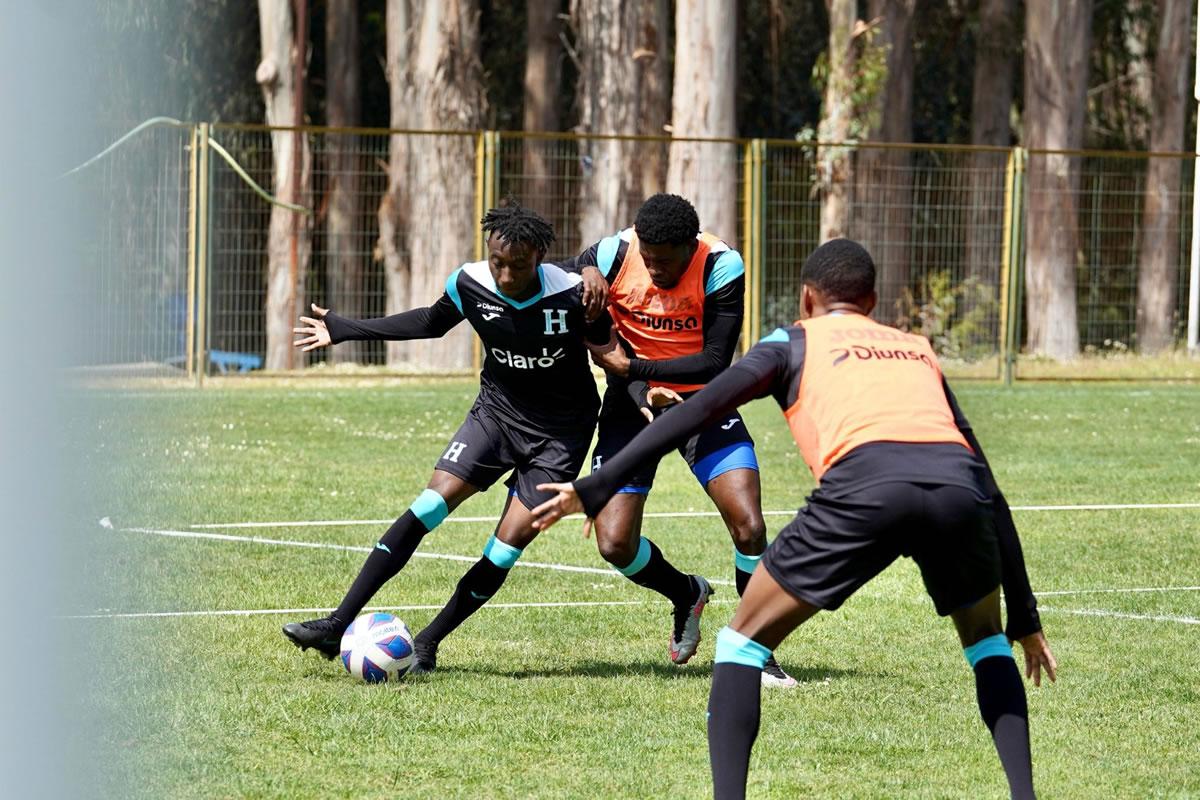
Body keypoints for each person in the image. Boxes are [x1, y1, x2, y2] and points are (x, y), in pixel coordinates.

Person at [532, 239, 1058, 799]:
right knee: (986, 643)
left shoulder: (793, 341)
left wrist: (595, 486)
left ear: (807, 298)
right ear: (873, 301)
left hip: (865, 489)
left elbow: (702, 406)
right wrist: (1022, 614)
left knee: (739, 645)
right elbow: (989, 485)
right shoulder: (916, 349)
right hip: (958, 492)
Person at [282, 202, 611, 673]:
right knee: (429, 505)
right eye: (498, 261)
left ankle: (429, 642)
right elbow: (428, 323)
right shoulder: (469, 282)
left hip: (560, 436)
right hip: (495, 416)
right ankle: (337, 624)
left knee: (505, 545)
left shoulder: (576, 293)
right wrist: (346, 329)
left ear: (539, 256)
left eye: (518, 265)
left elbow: (610, 353)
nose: (505, 273)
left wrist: (643, 391)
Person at [564, 193, 797, 687]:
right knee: (614, 544)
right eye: (647, 259)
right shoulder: (612, 253)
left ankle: (755, 653)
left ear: (690, 246)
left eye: (665, 261)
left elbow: (716, 361)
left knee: (750, 527)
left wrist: (635, 367)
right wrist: (581, 271)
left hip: (703, 406)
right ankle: (685, 592)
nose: (654, 269)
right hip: (632, 406)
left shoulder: (720, 263)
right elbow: (554, 277)